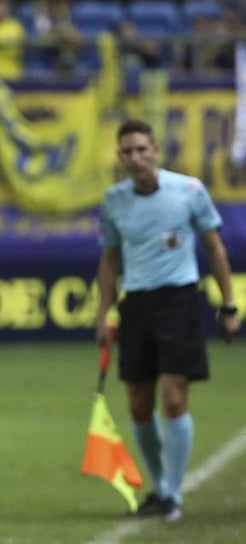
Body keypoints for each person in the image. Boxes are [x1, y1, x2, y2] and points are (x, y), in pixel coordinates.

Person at [94, 119, 239, 523]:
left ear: (156, 150)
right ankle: (159, 488)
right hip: (136, 304)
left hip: (180, 300)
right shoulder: (115, 200)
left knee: (173, 396)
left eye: (142, 149)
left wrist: (228, 305)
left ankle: (172, 493)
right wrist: (104, 312)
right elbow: (109, 258)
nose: (135, 158)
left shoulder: (189, 191)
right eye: (127, 152)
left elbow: (215, 248)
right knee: (139, 405)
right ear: (120, 157)